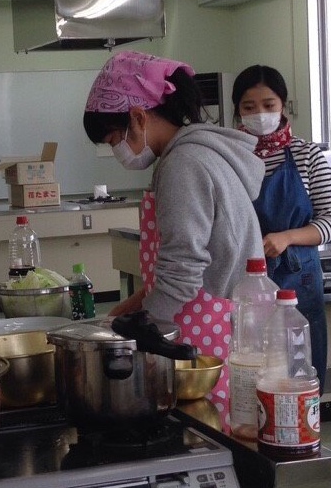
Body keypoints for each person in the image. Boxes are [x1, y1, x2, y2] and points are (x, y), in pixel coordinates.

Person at [83, 51, 265, 425]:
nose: (117, 150)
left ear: (138, 117)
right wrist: (131, 308)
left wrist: (145, 326)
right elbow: (185, 262)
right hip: (221, 320)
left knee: (207, 431)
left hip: (205, 333)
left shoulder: (183, 164)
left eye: (114, 138)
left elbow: (184, 264)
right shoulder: (198, 153)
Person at [232, 65, 331, 391]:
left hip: (298, 281)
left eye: (268, 105)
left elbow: (329, 220)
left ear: (283, 106)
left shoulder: (307, 155)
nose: (259, 114)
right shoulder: (231, 158)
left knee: (299, 380)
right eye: (249, 107)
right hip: (244, 282)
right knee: (251, 376)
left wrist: (287, 237)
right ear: (238, 111)